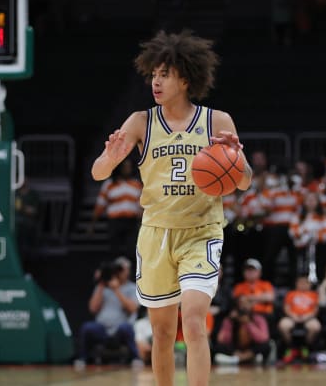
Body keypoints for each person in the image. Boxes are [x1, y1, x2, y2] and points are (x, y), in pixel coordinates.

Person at [90, 30, 253, 386]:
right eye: (153, 74)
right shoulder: (141, 122)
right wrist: (111, 156)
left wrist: (237, 158)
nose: (156, 81)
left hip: (201, 232)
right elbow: (98, 171)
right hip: (156, 235)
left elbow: (244, 182)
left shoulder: (217, 121)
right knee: (161, 333)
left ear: (185, 77)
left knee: (193, 319)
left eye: (165, 74)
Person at [74, 257, 140, 367]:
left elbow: (133, 309)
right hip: (102, 328)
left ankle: (136, 358)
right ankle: (82, 358)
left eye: (123, 269)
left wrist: (116, 290)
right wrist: (101, 283)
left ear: (128, 271)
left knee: (127, 328)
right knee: (87, 328)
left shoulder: (132, 288)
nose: (120, 272)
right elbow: (93, 309)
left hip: (120, 330)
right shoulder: (102, 287)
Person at [90, 159, 143, 261]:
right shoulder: (109, 184)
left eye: (129, 166)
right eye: (125, 167)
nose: (127, 169)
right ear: (120, 168)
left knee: (132, 250)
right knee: (114, 251)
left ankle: (130, 275)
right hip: (115, 222)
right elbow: (100, 205)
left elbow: (141, 205)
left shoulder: (136, 184)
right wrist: (92, 224)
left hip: (131, 222)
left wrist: (141, 219)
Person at [213, 296, 270, 366]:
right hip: (235, 349)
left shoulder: (258, 319)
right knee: (218, 347)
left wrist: (248, 324)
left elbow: (264, 338)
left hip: (251, 349)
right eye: (241, 303)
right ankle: (244, 358)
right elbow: (222, 340)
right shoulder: (230, 320)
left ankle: (239, 359)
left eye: (246, 303)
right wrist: (230, 322)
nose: (244, 306)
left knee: (266, 345)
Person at [288, 192, 326, 283]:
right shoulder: (297, 216)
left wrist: (312, 235)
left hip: (318, 249)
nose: (311, 202)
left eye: (313, 200)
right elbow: (292, 233)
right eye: (308, 200)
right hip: (301, 249)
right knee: (300, 269)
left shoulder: (323, 217)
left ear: (318, 202)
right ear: (304, 202)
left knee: (320, 267)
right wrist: (306, 229)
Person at [278, 276, 321, 364]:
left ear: (310, 284)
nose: (303, 284)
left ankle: (305, 348)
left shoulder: (314, 294)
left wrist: (307, 316)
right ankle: (291, 348)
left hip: (309, 318)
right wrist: (293, 316)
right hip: (292, 317)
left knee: (316, 327)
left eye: (305, 282)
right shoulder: (291, 294)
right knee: (283, 325)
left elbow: (316, 310)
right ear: (296, 284)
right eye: (300, 282)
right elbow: (287, 308)